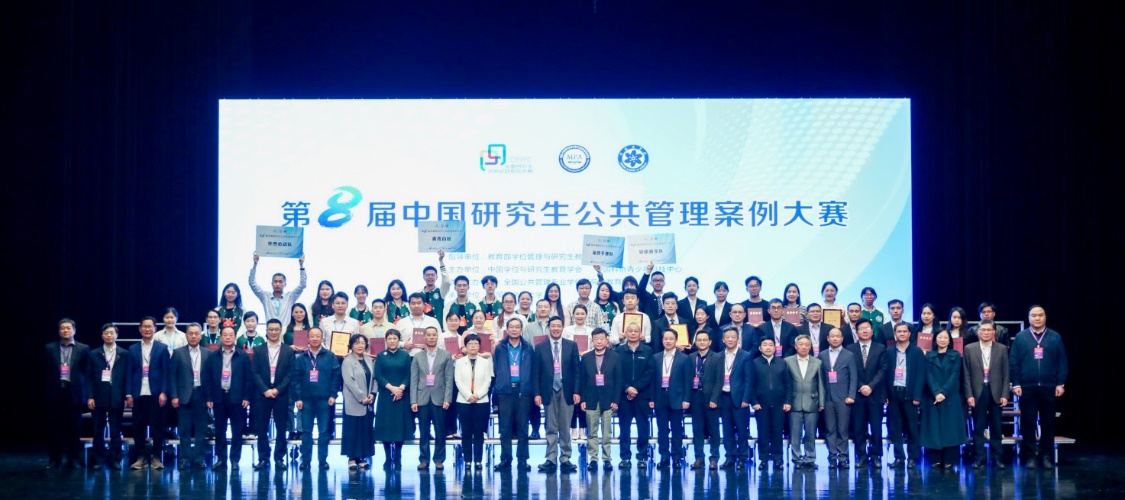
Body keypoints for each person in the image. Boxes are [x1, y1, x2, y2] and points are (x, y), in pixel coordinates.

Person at [1010, 305, 1068, 469]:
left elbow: (1062, 361)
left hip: (1049, 386)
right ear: (1029, 318)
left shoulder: (1055, 337)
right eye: (1033, 315)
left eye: (1040, 315)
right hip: (1026, 387)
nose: (1037, 318)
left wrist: (1060, 383)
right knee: (1028, 422)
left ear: (1045, 317)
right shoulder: (1021, 337)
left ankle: (1046, 456)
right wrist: (1016, 383)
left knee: (1048, 423)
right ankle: (1030, 456)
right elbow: (1013, 362)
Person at [534, 317, 581, 473]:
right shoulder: (540, 347)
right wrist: (537, 393)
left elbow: (577, 371)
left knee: (565, 426)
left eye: (558, 326)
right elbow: (536, 372)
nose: (555, 328)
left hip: (567, 389)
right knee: (550, 426)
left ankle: (565, 457)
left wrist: (576, 391)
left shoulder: (571, 345)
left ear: (562, 327)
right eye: (553, 326)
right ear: (549, 328)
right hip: (548, 391)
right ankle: (551, 458)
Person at [202, 327, 252, 471]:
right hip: (219, 397)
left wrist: (247, 396)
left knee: (237, 431)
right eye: (225, 335)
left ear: (235, 337)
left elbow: (248, 378)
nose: (228, 337)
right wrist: (209, 397)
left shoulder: (243, 356)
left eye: (231, 335)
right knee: (220, 430)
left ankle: (235, 460)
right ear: (221, 337)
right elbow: (207, 378)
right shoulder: (213, 356)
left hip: (237, 398)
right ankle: (221, 459)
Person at [963, 320, 1010, 469]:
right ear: (978, 332)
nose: (986, 332)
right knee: (978, 427)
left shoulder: (1001, 348)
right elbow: (966, 374)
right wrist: (969, 394)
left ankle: (997, 458)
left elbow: (1006, 373)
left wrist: (1005, 394)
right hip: (977, 391)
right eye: (983, 330)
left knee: (996, 427)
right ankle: (979, 458)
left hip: (996, 391)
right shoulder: (969, 349)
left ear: (993, 332)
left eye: (989, 330)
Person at [293, 328, 341, 471]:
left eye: (317, 336)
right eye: (312, 336)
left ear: (322, 338)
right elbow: (296, 379)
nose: (315, 338)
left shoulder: (330, 356)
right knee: (306, 432)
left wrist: (333, 395)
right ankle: (306, 460)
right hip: (306, 400)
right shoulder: (301, 357)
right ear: (308, 339)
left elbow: (336, 376)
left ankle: (322, 460)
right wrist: (298, 398)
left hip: (325, 400)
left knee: (324, 432)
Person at [250, 318, 295, 470]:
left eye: (276, 329)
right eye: (271, 329)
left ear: (280, 331)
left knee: (281, 428)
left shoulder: (288, 350)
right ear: (266, 331)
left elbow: (290, 373)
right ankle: (263, 458)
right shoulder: (259, 350)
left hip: (281, 394)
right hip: (262, 394)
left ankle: (279, 458)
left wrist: (277, 390)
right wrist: (265, 390)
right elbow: (255, 372)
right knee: (262, 428)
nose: (274, 332)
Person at [493, 317, 537, 471]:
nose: (514, 329)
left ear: (521, 330)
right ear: (507, 329)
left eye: (517, 327)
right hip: (505, 390)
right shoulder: (500, 348)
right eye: (511, 327)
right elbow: (495, 368)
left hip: (523, 390)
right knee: (505, 427)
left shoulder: (528, 348)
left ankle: (522, 460)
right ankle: (505, 459)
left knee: (523, 427)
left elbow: (532, 369)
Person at [127, 316, 170, 470]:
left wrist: (164, 392)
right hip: (138, 394)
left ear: (155, 329)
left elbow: (166, 372)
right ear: (140, 329)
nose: (147, 329)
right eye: (144, 326)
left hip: (156, 394)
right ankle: (141, 458)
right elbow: (129, 373)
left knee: (157, 428)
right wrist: (128, 394)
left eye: (149, 326)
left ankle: (156, 457)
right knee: (138, 428)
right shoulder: (132, 349)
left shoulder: (162, 348)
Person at [920, 330, 967, 468]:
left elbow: (955, 375)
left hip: (950, 396)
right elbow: (928, 375)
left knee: (950, 428)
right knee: (933, 427)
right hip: (932, 396)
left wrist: (943, 393)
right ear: (935, 339)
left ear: (949, 340)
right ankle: (935, 458)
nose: (942, 339)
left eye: (945, 337)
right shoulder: (929, 356)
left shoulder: (955, 355)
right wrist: (936, 392)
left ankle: (949, 459)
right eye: (940, 337)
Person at [45, 318, 89, 470]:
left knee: (74, 428)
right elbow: (45, 370)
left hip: (74, 393)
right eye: (62, 328)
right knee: (54, 428)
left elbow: (86, 371)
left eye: (68, 328)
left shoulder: (83, 348)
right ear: (59, 331)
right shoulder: (49, 348)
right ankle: (54, 459)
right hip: (55, 392)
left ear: (74, 330)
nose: (65, 330)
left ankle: (74, 459)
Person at [411, 326, 455, 471]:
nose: (431, 337)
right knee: (423, 431)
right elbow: (414, 380)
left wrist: (447, 399)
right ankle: (424, 459)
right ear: (424, 337)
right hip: (422, 398)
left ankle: (439, 459)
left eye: (434, 335)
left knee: (440, 430)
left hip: (439, 398)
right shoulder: (417, 356)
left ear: (437, 337)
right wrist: (413, 400)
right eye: (428, 335)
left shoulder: (446, 355)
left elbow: (449, 379)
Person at [87, 323, 131, 470]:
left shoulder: (124, 354)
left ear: (117, 335)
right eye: (106, 333)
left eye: (112, 333)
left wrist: (126, 395)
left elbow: (127, 377)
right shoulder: (94, 354)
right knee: (97, 431)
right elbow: (89, 377)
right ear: (102, 335)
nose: (109, 335)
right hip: (99, 396)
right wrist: (90, 396)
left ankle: (115, 459)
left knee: (115, 431)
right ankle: (99, 459)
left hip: (117, 396)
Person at [846, 319, 887, 470]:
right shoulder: (850, 349)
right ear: (856, 332)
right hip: (857, 395)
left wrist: (870, 386)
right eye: (861, 328)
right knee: (858, 428)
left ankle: (876, 455)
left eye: (867, 328)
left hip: (875, 394)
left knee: (876, 427)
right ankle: (861, 455)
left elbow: (883, 369)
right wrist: (861, 386)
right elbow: (849, 371)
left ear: (872, 331)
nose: (864, 331)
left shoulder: (880, 348)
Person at [884, 323, 925, 468]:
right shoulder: (889, 351)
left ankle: (913, 457)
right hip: (893, 393)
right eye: (899, 331)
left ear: (909, 334)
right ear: (895, 334)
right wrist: (886, 395)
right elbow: (885, 374)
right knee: (895, 428)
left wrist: (917, 396)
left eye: (904, 331)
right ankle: (899, 457)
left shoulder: (917, 351)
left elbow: (921, 375)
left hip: (910, 393)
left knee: (912, 428)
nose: (901, 334)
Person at [579, 328, 621, 472]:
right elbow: (582, 380)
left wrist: (616, 400)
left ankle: (607, 459)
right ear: (592, 340)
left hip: (608, 399)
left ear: (606, 340)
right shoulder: (586, 357)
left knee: (607, 432)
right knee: (592, 432)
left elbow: (618, 380)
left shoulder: (615, 356)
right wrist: (583, 399)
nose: (598, 341)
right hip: (591, 399)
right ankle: (593, 459)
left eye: (601, 339)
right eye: (596, 339)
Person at [170, 323, 210, 470]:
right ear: (186, 335)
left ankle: (199, 459)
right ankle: (184, 458)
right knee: (184, 430)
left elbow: (211, 378)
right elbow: (172, 376)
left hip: (202, 395)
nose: (193, 336)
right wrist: (174, 395)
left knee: (201, 430)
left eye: (196, 333)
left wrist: (210, 398)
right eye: (190, 333)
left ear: (200, 336)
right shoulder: (178, 353)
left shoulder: (208, 353)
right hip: (183, 396)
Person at [373, 329, 415, 470]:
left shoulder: (405, 355)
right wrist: (392, 388)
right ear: (386, 340)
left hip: (402, 395)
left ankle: (397, 457)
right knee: (386, 427)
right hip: (386, 395)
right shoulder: (381, 356)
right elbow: (378, 375)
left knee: (399, 427)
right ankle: (387, 457)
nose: (392, 341)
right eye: (389, 338)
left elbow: (409, 374)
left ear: (399, 340)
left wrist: (401, 388)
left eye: (394, 338)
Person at [650, 329, 692, 468]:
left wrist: (686, 399)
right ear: (662, 341)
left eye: (671, 339)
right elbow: (652, 380)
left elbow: (687, 381)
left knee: (677, 430)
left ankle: (677, 457)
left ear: (676, 340)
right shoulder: (655, 357)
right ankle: (664, 457)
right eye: (665, 339)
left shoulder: (684, 358)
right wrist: (652, 398)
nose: (668, 341)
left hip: (677, 397)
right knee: (662, 429)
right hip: (660, 396)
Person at [615, 321, 654, 468]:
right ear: (625, 333)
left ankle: (642, 456)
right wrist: (627, 388)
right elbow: (616, 372)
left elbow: (649, 372)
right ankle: (625, 457)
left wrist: (635, 388)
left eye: (635, 331)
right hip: (624, 396)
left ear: (640, 334)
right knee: (624, 428)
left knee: (642, 427)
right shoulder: (619, 350)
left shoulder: (647, 351)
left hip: (642, 396)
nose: (632, 333)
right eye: (630, 331)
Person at [818, 328, 857, 469]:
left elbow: (853, 377)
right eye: (832, 336)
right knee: (830, 429)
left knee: (842, 429)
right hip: (827, 398)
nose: (835, 338)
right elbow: (820, 379)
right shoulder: (822, 355)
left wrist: (851, 395)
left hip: (844, 398)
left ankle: (843, 457)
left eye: (838, 336)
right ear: (828, 338)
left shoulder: (849, 355)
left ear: (842, 338)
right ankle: (832, 456)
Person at [785, 335, 824, 470]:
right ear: (796, 346)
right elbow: (786, 383)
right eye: (801, 344)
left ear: (810, 347)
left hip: (812, 402)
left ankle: (810, 458)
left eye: (807, 344)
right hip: (794, 402)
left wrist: (821, 402)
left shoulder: (817, 362)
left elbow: (821, 384)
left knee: (810, 433)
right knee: (795, 434)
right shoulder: (787, 361)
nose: (803, 347)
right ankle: (797, 458)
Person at [717, 327, 754, 470]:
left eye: (733, 337)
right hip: (723, 397)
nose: (730, 339)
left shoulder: (746, 356)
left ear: (738, 339)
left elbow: (749, 379)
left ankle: (742, 457)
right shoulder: (718, 356)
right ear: (723, 340)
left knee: (741, 429)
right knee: (727, 430)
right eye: (727, 337)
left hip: (739, 398)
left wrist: (746, 399)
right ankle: (730, 457)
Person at [455, 334, 493, 472]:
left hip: (481, 401)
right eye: (470, 344)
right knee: (466, 432)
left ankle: (478, 460)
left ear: (479, 346)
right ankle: (467, 461)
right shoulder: (460, 362)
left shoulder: (485, 362)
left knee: (478, 432)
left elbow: (488, 381)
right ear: (465, 346)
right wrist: (468, 395)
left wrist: (477, 395)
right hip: (463, 401)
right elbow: (458, 380)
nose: (473, 346)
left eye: (475, 344)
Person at [749, 337, 788, 471]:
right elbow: (750, 384)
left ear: (775, 348)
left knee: (777, 432)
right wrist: (754, 401)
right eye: (765, 345)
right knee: (763, 432)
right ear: (760, 348)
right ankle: (763, 459)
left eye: (771, 345)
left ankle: (777, 459)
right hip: (761, 404)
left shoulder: (782, 363)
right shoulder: (754, 363)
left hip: (779, 404)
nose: (768, 347)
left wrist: (788, 401)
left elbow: (788, 383)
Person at [687, 330, 722, 470]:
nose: (702, 342)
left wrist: (715, 398)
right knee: (697, 430)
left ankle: (714, 458)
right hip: (695, 397)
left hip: (711, 399)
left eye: (704, 339)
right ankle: (699, 458)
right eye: (699, 340)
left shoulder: (717, 357)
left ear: (710, 342)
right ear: (695, 342)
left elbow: (719, 381)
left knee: (714, 430)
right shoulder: (691, 357)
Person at [341, 334, 376, 470]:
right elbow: (349, 381)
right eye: (356, 343)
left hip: (368, 402)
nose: (360, 345)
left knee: (363, 430)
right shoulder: (348, 361)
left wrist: (373, 393)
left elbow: (374, 378)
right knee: (352, 430)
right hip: (354, 401)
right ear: (351, 346)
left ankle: (361, 457)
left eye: (362, 343)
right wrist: (362, 397)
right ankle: (352, 458)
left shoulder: (369, 360)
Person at [248, 253, 307, 329]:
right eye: (275, 282)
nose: (278, 284)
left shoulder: (290, 297)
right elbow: (252, 283)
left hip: (286, 332)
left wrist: (301, 266)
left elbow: (302, 285)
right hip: (270, 331)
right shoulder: (265, 296)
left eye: (280, 282)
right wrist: (255, 265)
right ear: (271, 284)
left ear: (285, 284)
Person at [420, 251, 452, 329]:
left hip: (438, 329)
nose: (430, 277)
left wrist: (441, 261)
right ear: (423, 277)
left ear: (436, 277)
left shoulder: (440, 291)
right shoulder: (419, 293)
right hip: (422, 330)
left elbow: (447, 282)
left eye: (432, 275)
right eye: (427, 275)